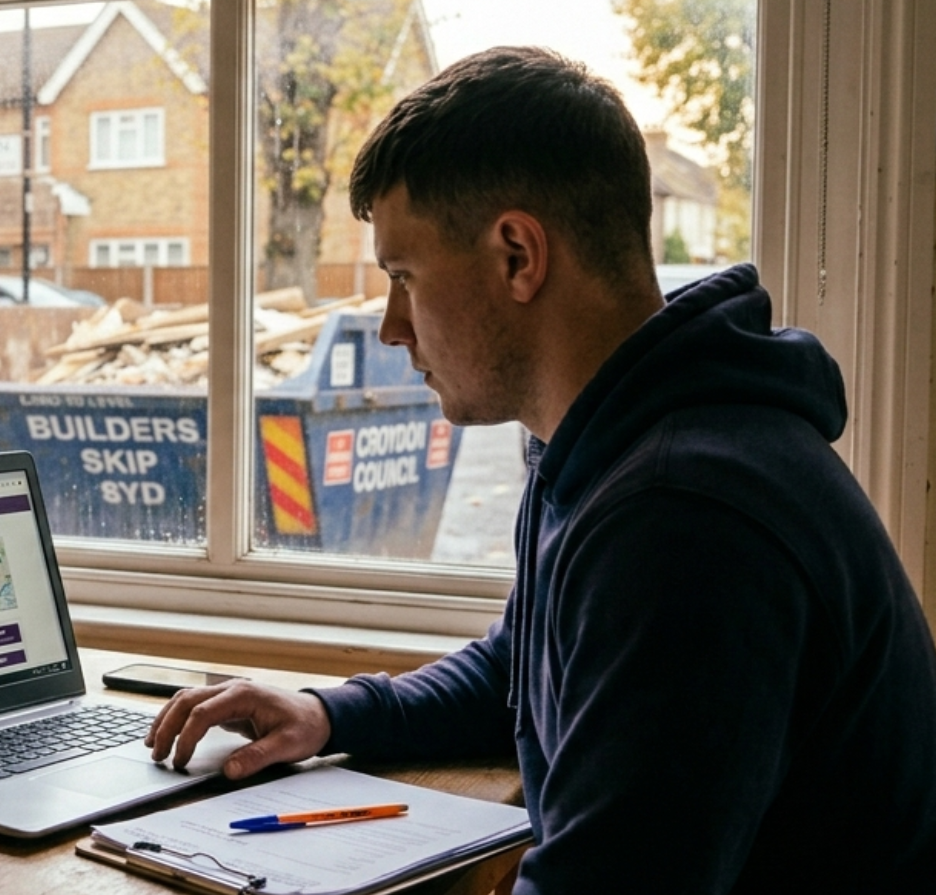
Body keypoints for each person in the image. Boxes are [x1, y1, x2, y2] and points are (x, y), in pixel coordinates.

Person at [145, 46, 936, 891]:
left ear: (518, 254)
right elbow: (516, 668)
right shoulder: (616, 444)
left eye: (405, 277)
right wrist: (331, 710)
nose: (391, 327)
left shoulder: (685, 513)